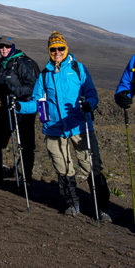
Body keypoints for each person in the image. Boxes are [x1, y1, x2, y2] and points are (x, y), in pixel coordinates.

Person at [17, 31, 111, 221]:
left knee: (92, 165)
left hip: (79, 125)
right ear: (49, 51)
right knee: (62, 167)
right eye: (53, 49)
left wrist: (89, 104)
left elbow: (91, 93)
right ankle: (71, 203)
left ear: (66, 48)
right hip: (54, 128)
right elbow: (38, 102)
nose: (57, 52)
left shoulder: (78, 69)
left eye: (60, 48)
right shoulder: (45, 75)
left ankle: (101, 207)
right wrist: (20, 106)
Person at [0, 36, 39, 186]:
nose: (4, 49)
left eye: (7, 47)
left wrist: (15, 91)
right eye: (1, 47)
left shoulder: (22, 63)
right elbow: (4, 88)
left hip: (24, 108)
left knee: (26, 144)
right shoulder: (2, 65)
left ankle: (26, 178)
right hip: (7, 107)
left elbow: (32, 87)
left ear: (12, 47)